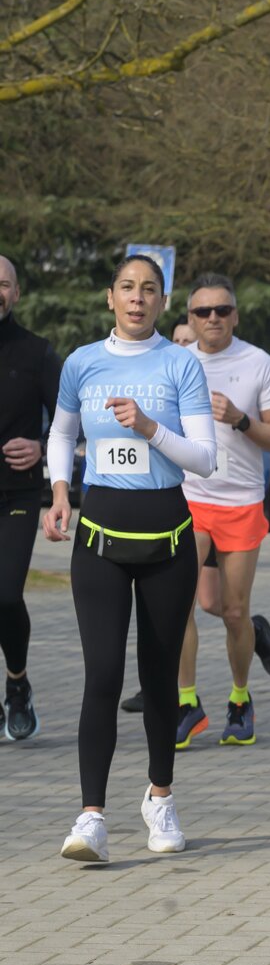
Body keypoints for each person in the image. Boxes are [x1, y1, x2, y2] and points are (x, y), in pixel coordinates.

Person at [47, 255, 218, 861]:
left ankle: (160, 796)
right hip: (99, 540)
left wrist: (149, 427)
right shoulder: (82, 362)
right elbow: (62, 432)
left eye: (149, 289)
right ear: (111, 297)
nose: (137, 298)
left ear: (162, 301)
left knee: (159, 677)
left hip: (167, 542)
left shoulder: (181, 364)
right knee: (102, 676)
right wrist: (60, 491)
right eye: (127, 287)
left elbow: (205, 459)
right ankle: (91, 816)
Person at [160, 274, 270, 749]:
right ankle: (187, 703)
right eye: (202, 311)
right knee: (179, 605)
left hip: (240, 501)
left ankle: (239, 697)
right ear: (189, 318)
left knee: (231, 610)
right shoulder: (175, 362)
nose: (212, 318)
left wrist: (240, 419)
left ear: (235, 315)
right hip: (189, 498)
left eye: (222, 310)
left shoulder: (258, 363)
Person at [0, 254, 60, 742]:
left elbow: (67, 422)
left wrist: (41, 446)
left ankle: (17, 684)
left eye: (3, 284)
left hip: (17, 493)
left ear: (16, 293)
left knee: (5, 595)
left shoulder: (38, 352)